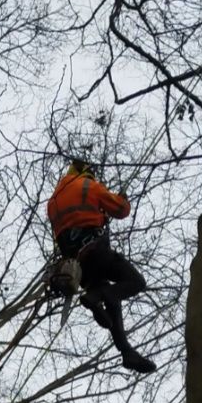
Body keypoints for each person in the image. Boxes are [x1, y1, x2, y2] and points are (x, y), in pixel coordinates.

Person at [45, 160, 156, 374]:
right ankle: (96, 296)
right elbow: (121, 210)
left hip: (76, 265)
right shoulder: (89, 186)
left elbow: (68, 226)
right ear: (85, 172)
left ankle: (126, 351)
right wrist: (123, 199)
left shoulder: (53, 201)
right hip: (96, 251)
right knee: (135, 282)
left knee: (112, 299)